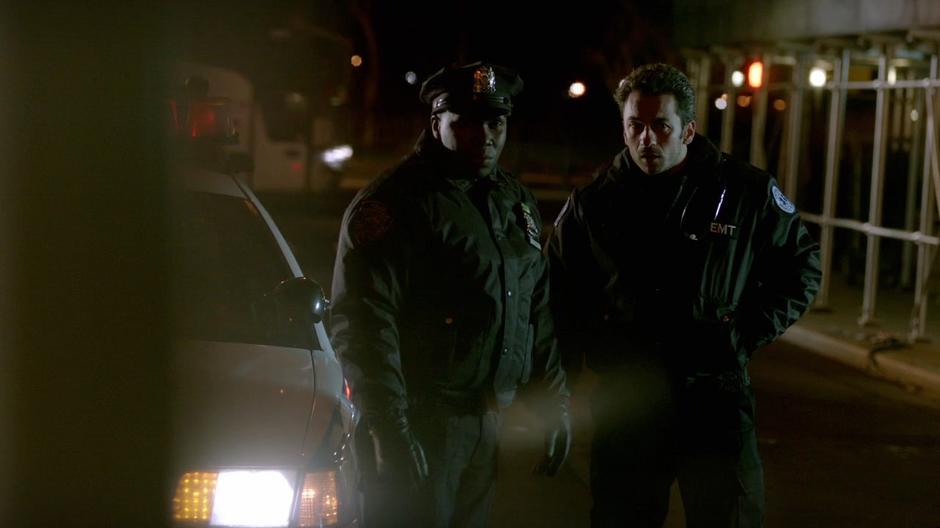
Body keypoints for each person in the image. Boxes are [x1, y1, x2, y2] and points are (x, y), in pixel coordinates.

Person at [548, 63, 822, 527]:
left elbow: (801, 267)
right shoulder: (593, 204)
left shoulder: (744, 192)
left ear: (688, 130)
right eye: (634, 126)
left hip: (714, 401)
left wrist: (743, 333)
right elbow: (559, 298)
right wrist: (560, 392)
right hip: (629, 403)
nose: (646, 139)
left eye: (660, 126)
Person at [331, 61, 571, 528]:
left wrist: (553, 404)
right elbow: (364, 323)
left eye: (496, 123)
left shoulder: (513, 200)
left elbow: (535, 310)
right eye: (467, 123)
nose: (485, 136)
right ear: (436, 121)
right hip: (422, 421)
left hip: (487, 421)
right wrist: (391, 429)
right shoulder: (397, 202)